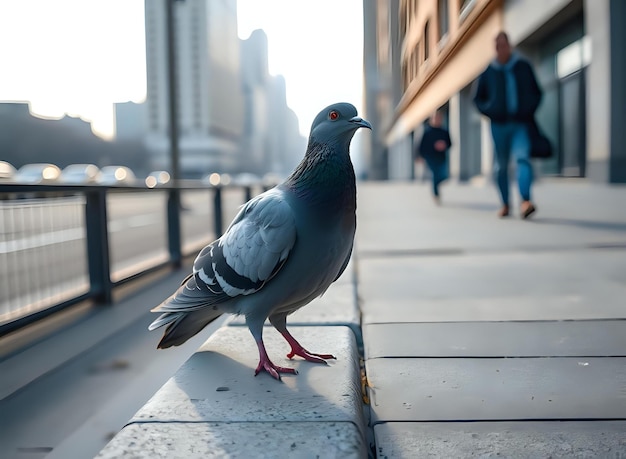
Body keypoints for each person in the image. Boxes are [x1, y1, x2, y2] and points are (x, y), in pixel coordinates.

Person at [473, 31, 542, 219]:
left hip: (520, 123)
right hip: (499, 126)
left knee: (522, 159)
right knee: (501, 167)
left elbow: (536, 92)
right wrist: (491, 110)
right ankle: (505, 203)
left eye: (503, 45)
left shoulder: (523, 67)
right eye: (497, 46)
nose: (500, 49)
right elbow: (478, 99)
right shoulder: (489, 71)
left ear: (509, 46)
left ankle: (525, 201)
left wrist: (527, 110)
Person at [416, 111, 451, 205]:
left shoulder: (444, 131)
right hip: (430, 157)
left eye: (438, 118)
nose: (437, 120)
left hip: (441, 157)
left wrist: (444, 145)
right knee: (435, 174)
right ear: (432, 119)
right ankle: (436, 194)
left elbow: (449, 143)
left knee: (444, 175)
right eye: (435, 118)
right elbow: (421, 146)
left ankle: (436, 187)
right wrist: (420, 156)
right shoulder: (427, 132)